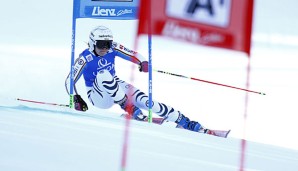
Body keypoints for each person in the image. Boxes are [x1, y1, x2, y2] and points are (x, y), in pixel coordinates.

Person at [65, 25, 212, 134]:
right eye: (101, 45)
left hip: (115, 86)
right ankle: (128, 107)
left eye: (108, 44)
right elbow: (68, 81)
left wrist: (142, 62)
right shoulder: (85, 58)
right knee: (103, 74)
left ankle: (185, 122)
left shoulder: (113, 48)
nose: (105, 48)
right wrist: (77, 98)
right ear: (92, 43)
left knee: (148, 102)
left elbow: (133, 54)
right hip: (98, 96)